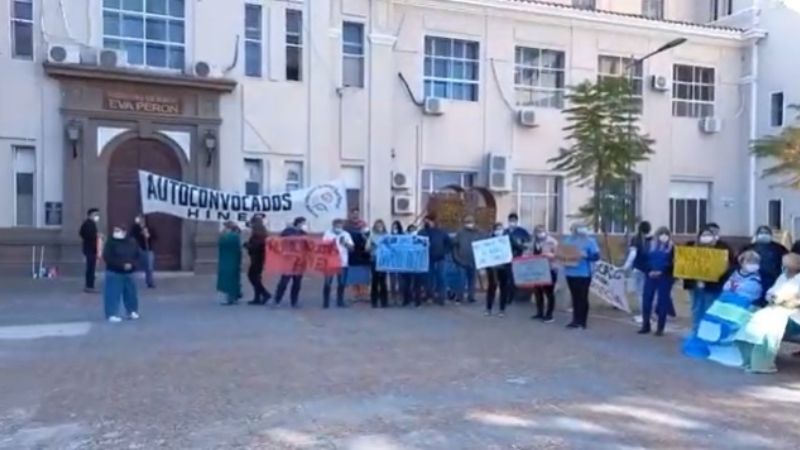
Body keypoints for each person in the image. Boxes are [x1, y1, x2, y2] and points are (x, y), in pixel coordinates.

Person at [682, 251, 763, 362]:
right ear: (742, 262)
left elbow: (753, 291)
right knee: (710, 320)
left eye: (755, 262)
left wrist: (736, 291)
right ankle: (707, 341)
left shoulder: (756, 278)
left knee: (730, 323)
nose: (752, 265)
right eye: (749, 261)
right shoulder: (734, 273)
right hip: (725, 302)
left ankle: (725, 342)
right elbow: (726, 286)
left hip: (741, 305)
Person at [735, 253, 800, 373]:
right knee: (751, 321)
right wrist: (771, 296)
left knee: (771, 327)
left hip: (793, 314)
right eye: (784, 265)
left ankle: (762, 363)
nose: (785, 268)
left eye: (788, 265)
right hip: (775, 308)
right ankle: (749, 360)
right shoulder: (783, 277)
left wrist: (790, 300)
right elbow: (772, 291)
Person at [683, 226, 732, 333]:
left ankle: (708, 332)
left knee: (710, 308)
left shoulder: (721, 248)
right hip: (695, 284)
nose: (706, 237)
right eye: (704, 235)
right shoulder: (691, 247)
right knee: (696, 309)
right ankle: (696, 331)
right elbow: (685, 264)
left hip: (713, 285)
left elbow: (729, 266)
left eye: (708, 235)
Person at [561, 222, 600, 329]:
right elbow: (562, 254)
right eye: (575, 228)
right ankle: (575, 320)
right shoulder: (568, 240)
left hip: (584, 274)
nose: (577, 230)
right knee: (574, 297)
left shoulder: (590, 241)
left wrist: (586, 256)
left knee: (582, 297)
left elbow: (596, 256)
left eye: (580, 228)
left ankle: (583, 321)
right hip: (570, 273)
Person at [639, 227, 676, 336]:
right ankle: (646, 325)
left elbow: (675, 263)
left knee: (662, 302)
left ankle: (660, 328)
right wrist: (649, 270)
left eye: (666, 234)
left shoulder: (672, 247)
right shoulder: (649, 245)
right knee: (646, 301)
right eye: (661, 234)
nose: (663, 236)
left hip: (665, 277)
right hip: (650, 276)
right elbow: (643, 260)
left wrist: (663, 271)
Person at [102, 225, 141, 323]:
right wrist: (121, 265)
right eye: (115, 230)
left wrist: (132, 265)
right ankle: (111, 313)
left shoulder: (132, 242)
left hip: (129, 272)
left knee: (131, 293)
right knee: (112, 293)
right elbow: (108, 257)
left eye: (118, 230)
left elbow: (137, 255)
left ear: (124, 232)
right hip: (114, 271)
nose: (116, 232)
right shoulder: (110, 242)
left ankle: (132, 311)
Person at [740, 225, 788, 303]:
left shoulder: (779, 248)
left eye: (766, 233)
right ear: (756, 235)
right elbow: (739, 261)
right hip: (751, 279)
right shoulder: (748, 247)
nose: (764, 234)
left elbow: (787, 261)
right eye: (761, 232)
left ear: (771, 235)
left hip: (772, 279)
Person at [273, 217, 308, 308]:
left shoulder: (303, 233)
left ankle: (294, 301)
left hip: (299, 262)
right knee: (284, 282)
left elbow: (308, 246)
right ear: (298, 223)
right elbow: (280, 241)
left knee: (297, 283)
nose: (304, 225)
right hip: (288, 261)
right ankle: (277, 300)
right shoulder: (288, 231)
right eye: (303, 223)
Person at [418, 215, 452, 305]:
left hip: (441, 257)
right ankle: (429, 295)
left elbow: (449, 243)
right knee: (428, 278)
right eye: (425, 221)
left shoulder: (441, 232)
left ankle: (442, 297)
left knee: (441, 277)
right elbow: (417, 243)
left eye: (428, 221)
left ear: (432, 221)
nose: (426, 223)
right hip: (428, 258)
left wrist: (445, 251)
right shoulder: (422, 232)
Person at [322, 219, 355, 308]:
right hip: (330, 262)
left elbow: (352, 248)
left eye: (340, 226)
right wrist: (331, 243)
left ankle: (340, 301)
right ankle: (326, 302)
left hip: (343, 262)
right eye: (337, 226)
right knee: (328, 282)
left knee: (341, 283)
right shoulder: (328, 233)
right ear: (333, 225)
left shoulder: (346, 234)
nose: (339, 227)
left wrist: (345, 243)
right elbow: (323, 247)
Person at [622, 221, 652, 317]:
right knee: (647, 291)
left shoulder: (636, 239)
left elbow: (632, 254)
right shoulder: (651, 239)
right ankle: (649, 311)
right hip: (649, 269)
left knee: (640, 292)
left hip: (638, 268)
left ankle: (644, 312)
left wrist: (625, 266)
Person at [452, 215, 483, 304]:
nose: (469, 224)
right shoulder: (460, 233)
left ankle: (471, 297)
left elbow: (483, 243)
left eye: (471, 222)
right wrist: (456, 257)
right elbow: (454, 244)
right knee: (461, 280)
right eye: (467, 222)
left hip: (473, 260)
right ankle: (459, 297)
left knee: (472, 280)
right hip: (462, 260)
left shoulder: (478, 232)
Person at [531, 225, 558, 323]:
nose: (540, 233)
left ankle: (549, 315)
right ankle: (539, 312)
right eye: (537, 231)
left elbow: (559, 255)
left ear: (546, 231)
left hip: (550, 269)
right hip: (537, 270)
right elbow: (530, 253)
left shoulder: (552, 241)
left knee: (549, 293)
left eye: (541, 231)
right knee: (538, 292)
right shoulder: (534, 242)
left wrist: (550, 255)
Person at [505, 213, 532, 304]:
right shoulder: (505, 232)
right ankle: (507, 296)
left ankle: (513, 296)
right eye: (510, 221)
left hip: (518, 257)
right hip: (506, 258)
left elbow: (528, 242)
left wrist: (524, 248)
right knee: (508, 278)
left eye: (514, 221)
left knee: (515, 277)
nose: (512, 223)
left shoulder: (522, 231)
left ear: (516, 221)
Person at [344, 208, 370, 301]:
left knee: (364, 275)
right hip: (352, 254)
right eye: (353, 213)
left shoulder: (364, 225)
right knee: (353, 275)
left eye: (357, 213)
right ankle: (355, 295)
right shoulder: (346, 226)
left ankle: (364, 294)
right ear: (350, 214)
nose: (355, 215)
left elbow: (369, 238)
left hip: (363, 254)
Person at [245, 216, 272, 305]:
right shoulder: (262, 233)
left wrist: (247, 245)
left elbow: (256, 247)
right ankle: (257, 298)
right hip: (260, 258)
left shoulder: (257, 234)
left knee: (252, 276)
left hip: (256, 259)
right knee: (256, 278)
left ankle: (265, 294)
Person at [485, 223, 510, 317]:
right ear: (494, 230)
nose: (499, 231)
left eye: (501, 229)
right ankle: (488, 308)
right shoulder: (489, 240)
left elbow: (515, 248)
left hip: (504, 268)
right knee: (491, 288)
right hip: (492, 269)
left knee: (504, 289)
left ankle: (502, 309)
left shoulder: (507, 239)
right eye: (497, 229)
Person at [217, 221, 243, 305]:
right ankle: (234, 296)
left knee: (226, 279)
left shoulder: (224, 237)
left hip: (225, 260)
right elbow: (238, 249)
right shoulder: (236, 237)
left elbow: (220, 245)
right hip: (234, 260)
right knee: (234, 279)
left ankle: (228, 298)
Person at [366, 219, 390, 308]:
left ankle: (384, 302)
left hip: (384, 260)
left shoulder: (387, 236)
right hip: (375, 259)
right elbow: (367, 248)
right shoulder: (372, 236)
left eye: (381, 225)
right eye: (378, 225)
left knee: (383, 281)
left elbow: (391, 247)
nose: (379, 227)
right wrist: (371, 247)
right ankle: (374, 302)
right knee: (375, 281)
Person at [130, 214, 156, 289]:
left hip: (147, 249)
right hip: (137, 249)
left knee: (149, 267)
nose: (141, 220)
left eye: (142, 219)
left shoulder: (149, 228)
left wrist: (148, 235)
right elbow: (131, 236)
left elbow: (155, 237)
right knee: (133, 265)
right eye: (139, 219)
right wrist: (139, 234)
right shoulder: (135, 228)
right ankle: (130, 282)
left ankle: (150, 282)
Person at [79, 208, 101, 293]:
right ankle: (89, 286)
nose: (97, 217)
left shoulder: (91, 223)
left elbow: (82, 233)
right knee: (91, 268)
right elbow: (87, 235)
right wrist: (96, 236)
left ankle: (90, 285)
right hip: (90, 249)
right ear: (91, 215)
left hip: (90, 248)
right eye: (96, 215)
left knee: (91, 268)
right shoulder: (88, 224)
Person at [402, 223, 424, 307]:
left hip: (417, 264)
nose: (412, 232)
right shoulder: (405, 239)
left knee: (417, 284)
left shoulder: (420, 239)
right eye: (411, 230)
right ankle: (406, 300)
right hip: (407, 263)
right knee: (407, 283)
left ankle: (417, 301)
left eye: (413, 230)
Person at [388, 220, 404, 300]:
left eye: (396, 227)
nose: (394, 229)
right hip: (392, 261)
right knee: (392, 279)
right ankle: (393, 296)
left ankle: (401, 295)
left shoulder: (403, 237)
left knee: (400, 279)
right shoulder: (389, 236)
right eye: (393, 227)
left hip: (400, 260)